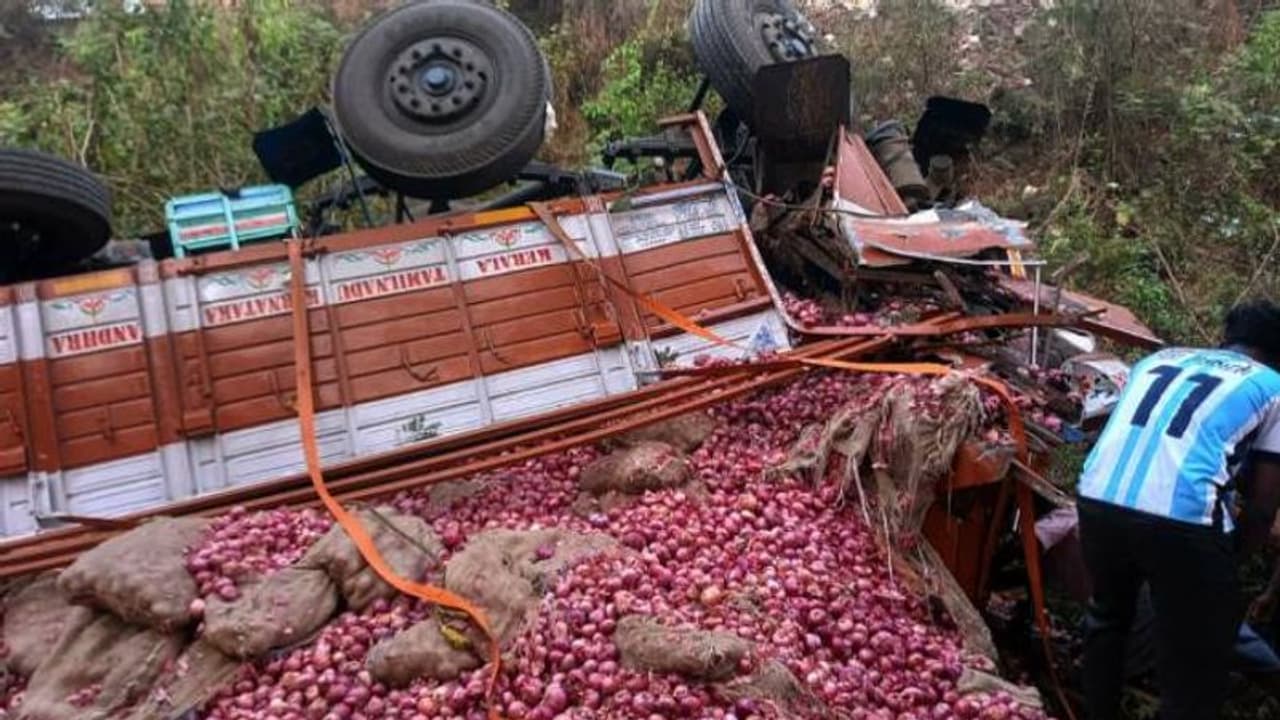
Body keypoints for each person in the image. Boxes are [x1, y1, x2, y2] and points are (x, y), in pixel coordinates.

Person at [1076, 300, 1280, 720]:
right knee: (1198, 661)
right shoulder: (1273, 385)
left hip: (1096, 497)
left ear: (1226, 339)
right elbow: (1262, 506)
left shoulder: (1159, 359)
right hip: (1182, 518)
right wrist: (1226, 567)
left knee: (1108, 620)